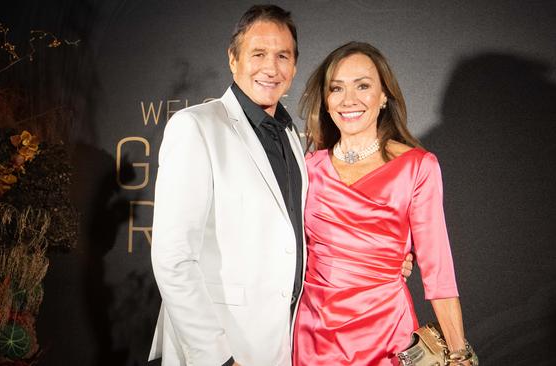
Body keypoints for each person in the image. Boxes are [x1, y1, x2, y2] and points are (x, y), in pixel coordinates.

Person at [149, 6, 413, 366]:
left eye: (282, 56)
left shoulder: (290, 135)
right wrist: (217, 358)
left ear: (294, 65)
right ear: (232, 59)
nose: (270, 68)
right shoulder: (196, 127)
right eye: (258, 54)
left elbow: (296, 237)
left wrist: (376, 258)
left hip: (287, 345)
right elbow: (173, 259)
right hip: (222, 348)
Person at [293, 42, 475, 365]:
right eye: (337, 88)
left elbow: (439, 273)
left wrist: (459, 354)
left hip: (387, 337)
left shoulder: (417, 167)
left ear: (383, 96)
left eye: (363, 86)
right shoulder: (307, 169)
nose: (349, 100)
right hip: (313, 338)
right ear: (326, 99)